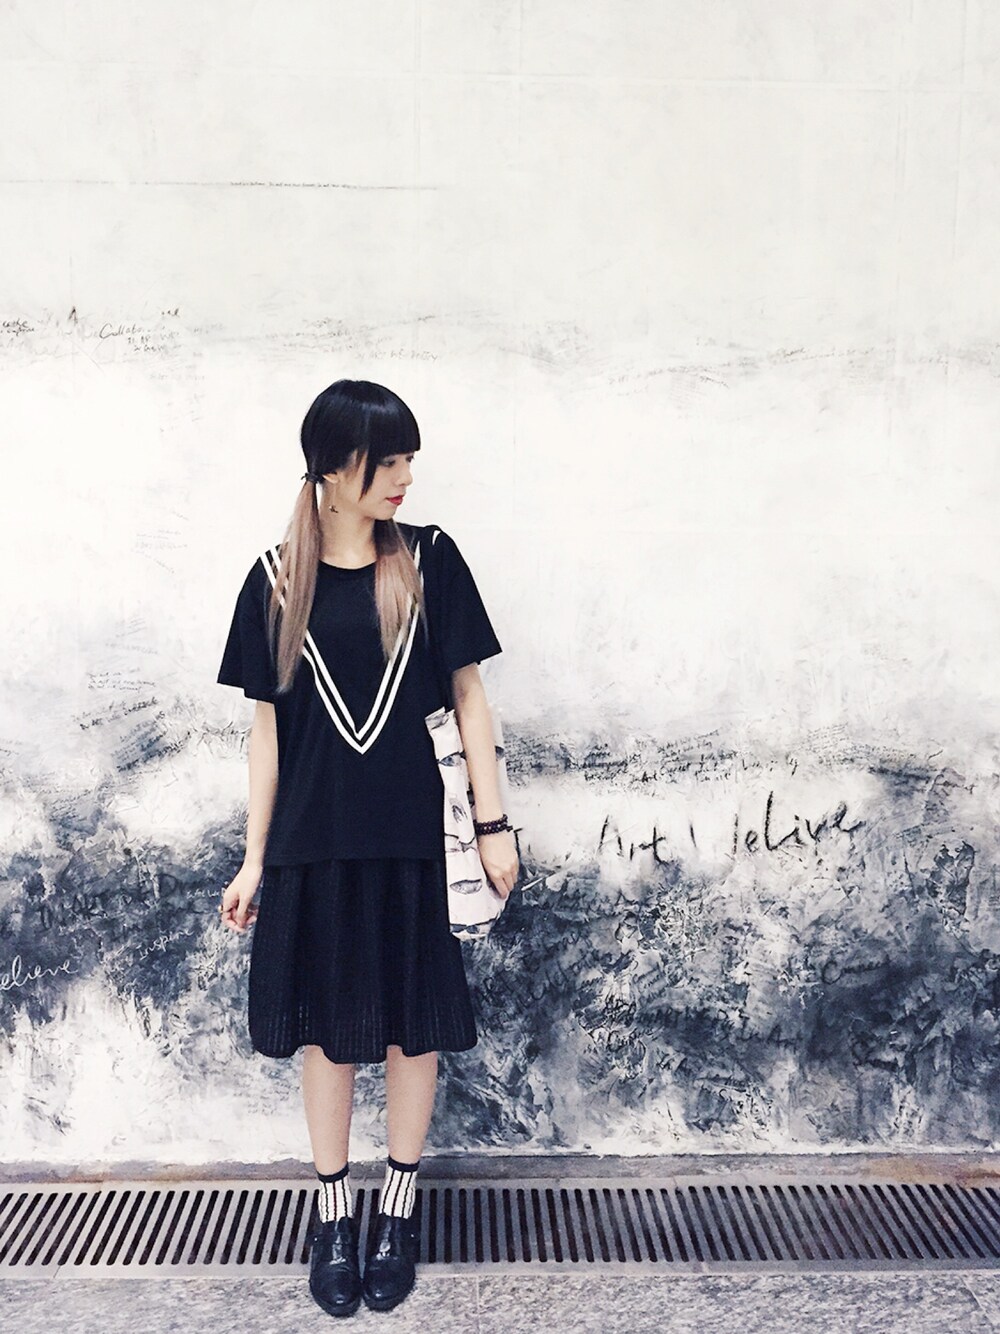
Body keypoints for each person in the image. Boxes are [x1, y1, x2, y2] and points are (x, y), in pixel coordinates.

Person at [215, 379, 518, 1317]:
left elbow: (469, 696)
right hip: (315, 843)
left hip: (414, 839)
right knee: (328, 1035)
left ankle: (400, 1207)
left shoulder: (429, 560)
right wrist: (254, 857)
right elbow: (268, 733)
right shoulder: (275, 579)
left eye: (407, 460)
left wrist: (495, 824)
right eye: (389, 462)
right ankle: (333, 1214)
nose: (405, 478)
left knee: (409, 1029)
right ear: (335, 468)